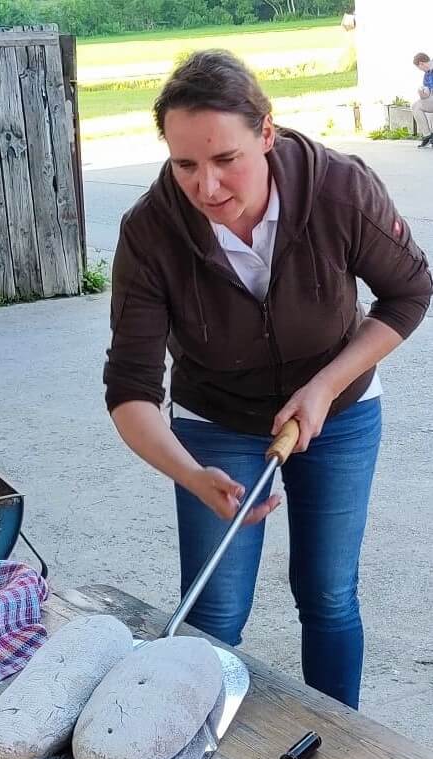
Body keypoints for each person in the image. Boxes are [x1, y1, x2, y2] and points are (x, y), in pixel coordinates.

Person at [103, 50, 431, 709]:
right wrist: (191, 474)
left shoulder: (339, 188)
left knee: (329, 592)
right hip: (215, 420)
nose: (208, 186)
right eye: (185, 163)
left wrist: (325, 385)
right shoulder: (149, 232)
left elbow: (408, 293)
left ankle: (337, 755)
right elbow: (131, 390)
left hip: (340, 411)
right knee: (216, 610)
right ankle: (195, 758)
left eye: (227, 158)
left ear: (267, 134)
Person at [411, 52, 433, 147]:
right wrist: (422, 93)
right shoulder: (426, 75)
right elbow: (427, 95)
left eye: (418, 67)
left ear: (421, 63)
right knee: (416, 105)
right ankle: (427, 135)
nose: (420, 70)